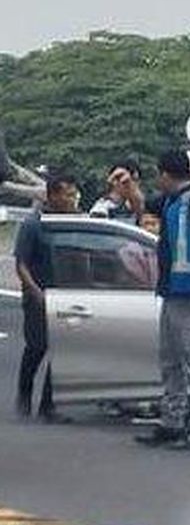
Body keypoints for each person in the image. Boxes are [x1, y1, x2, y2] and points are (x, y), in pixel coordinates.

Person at [135, 147, 190, 451]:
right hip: (173, 292)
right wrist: (130, 188)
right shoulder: (170, 202)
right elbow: (143, 207)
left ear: (166, 174)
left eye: (159, 175)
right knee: (170, 361)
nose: (158, 180)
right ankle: (172, 422)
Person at [14, 173, 79, 423]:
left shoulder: (71, 222)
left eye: (73, 194)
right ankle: (24, 394)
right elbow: (21, 264)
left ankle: (48, 404)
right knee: (37, 347)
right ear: (52, 195)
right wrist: (34, 291)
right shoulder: (33, 224)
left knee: (60, 351)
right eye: (67, 194)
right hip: (38, 297)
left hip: (65, 295)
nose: (71, 199)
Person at [89, 160, 146, 226]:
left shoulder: (140, 206)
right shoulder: (102, 207)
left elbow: (140, 210)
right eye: (126, 182)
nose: (132, 185)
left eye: (135, 180)